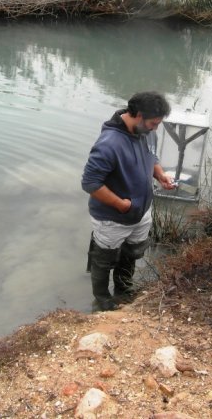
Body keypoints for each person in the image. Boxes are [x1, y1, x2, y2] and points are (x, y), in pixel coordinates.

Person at [81, 91, 177, 311]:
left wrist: (160, 175)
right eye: (153, 123)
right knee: (104, 259)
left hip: (141, 212)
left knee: (132, 253)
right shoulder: (109, 144)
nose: (156, 128)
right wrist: (121, 205)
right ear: (138, 115)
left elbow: (151, 157)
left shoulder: (147, 132)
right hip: (113, 218)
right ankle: (103, 298)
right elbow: (90, 183)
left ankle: (123, 290)